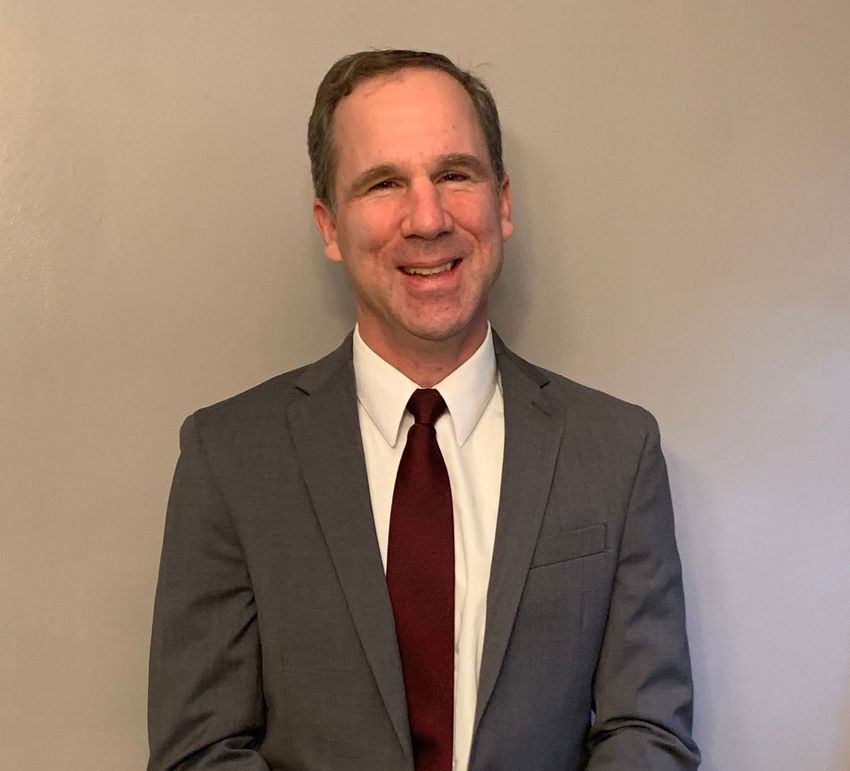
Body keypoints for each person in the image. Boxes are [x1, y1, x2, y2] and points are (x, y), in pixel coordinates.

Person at [148, 49, 700, 771]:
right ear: (328, 225)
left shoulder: (617, 450)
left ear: (501, 203)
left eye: (454, 174)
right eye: (384, 182)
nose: (428, 216)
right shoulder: (229, 457)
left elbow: (648, 730)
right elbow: (200, 749)